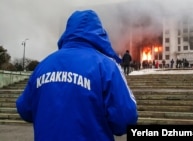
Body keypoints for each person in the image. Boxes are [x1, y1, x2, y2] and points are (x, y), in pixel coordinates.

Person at [16, 10, 138, 141]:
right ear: (99, 33)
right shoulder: (107, 66)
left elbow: (25, 109)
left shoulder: (43, 65)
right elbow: (125, 118)